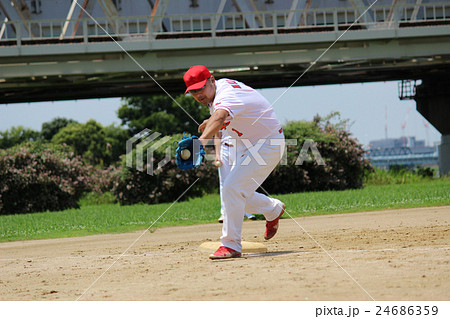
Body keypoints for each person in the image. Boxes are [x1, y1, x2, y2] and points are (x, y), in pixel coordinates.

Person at [183, 65, 285, 260]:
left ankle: (230, 245)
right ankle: (273, 209)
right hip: (246, 145)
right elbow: (221, 116)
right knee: (234, 196)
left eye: (201, 88)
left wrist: (201, 141)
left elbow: (221, 116)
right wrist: (209, 121)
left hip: (267, 143)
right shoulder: (216, 95)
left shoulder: (226, 93)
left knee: (231, 188)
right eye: (193, 91)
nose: (198, 94)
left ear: (212, 80)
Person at [214, 130, 256, 223]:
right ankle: (224, 213)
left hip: (240, 149)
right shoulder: (217, 116)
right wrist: (217, 155)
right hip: (224, 149)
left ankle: (247, 210)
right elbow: (217, 136)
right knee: (224, 183)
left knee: (241, 180)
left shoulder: (239, 115)